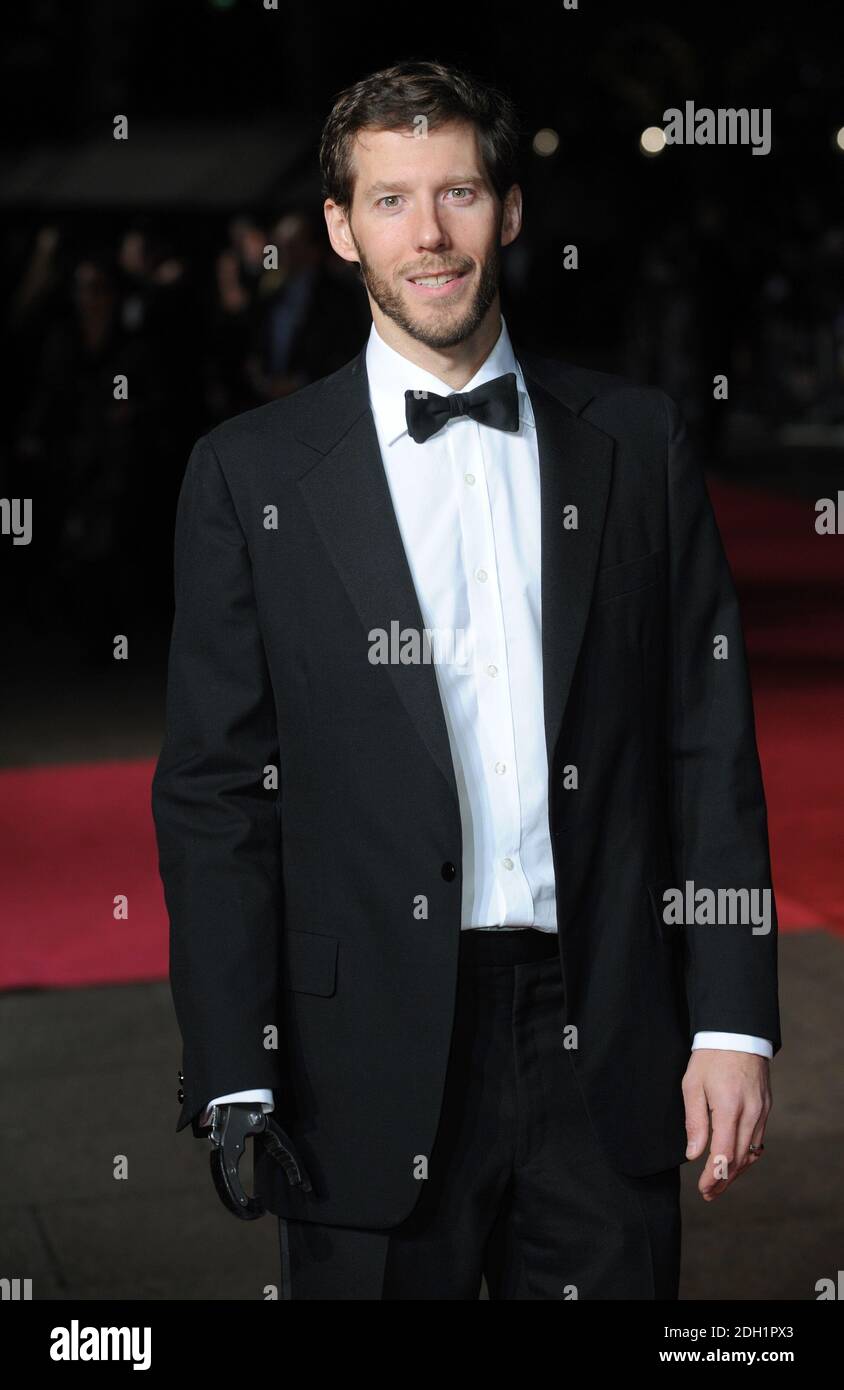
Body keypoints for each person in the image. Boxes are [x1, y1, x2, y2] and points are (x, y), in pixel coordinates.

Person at [151, 59, 781, 1300]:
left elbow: (703, 742)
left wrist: (730, 1018)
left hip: (603, 1028)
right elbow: (217, 790)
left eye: (459, 194)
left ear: (509, 210)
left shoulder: (636, 440)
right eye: (389, 201)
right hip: (356, 1058)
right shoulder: (248, 474)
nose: (429, 235)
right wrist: (234, 1058)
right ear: (339, 229)